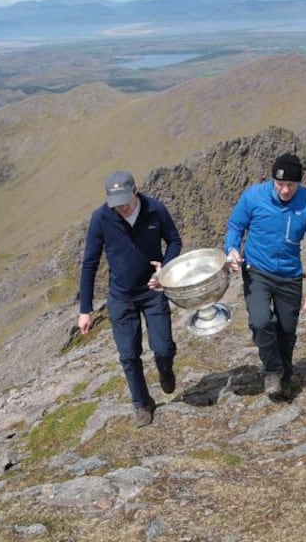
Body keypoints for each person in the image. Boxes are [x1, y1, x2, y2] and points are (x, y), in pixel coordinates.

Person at [79, 170, 183, 427]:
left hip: (153, 291)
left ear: (135, 191)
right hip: (121, 297)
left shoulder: (155, 209)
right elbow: (89, 263)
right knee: (128, 355)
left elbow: (174, 241)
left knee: (163, 347)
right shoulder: (101, 218)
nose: (122, 207)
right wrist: (85, 309)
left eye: (126, 200)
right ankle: (142, 404)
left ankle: (165, 369)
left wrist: (165, 268)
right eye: (116, 204)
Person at [225, 152, 306, 401]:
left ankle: (285, 375)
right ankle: (272, 371)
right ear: (272, 181)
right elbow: (235, 226)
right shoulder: (253, 197)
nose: (284, 190)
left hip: (290, 276)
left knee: (286, 331)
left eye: (290, 185)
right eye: (279, 184)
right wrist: (231, 249)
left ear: (299, 183)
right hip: (257, 271)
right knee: (261, 321)